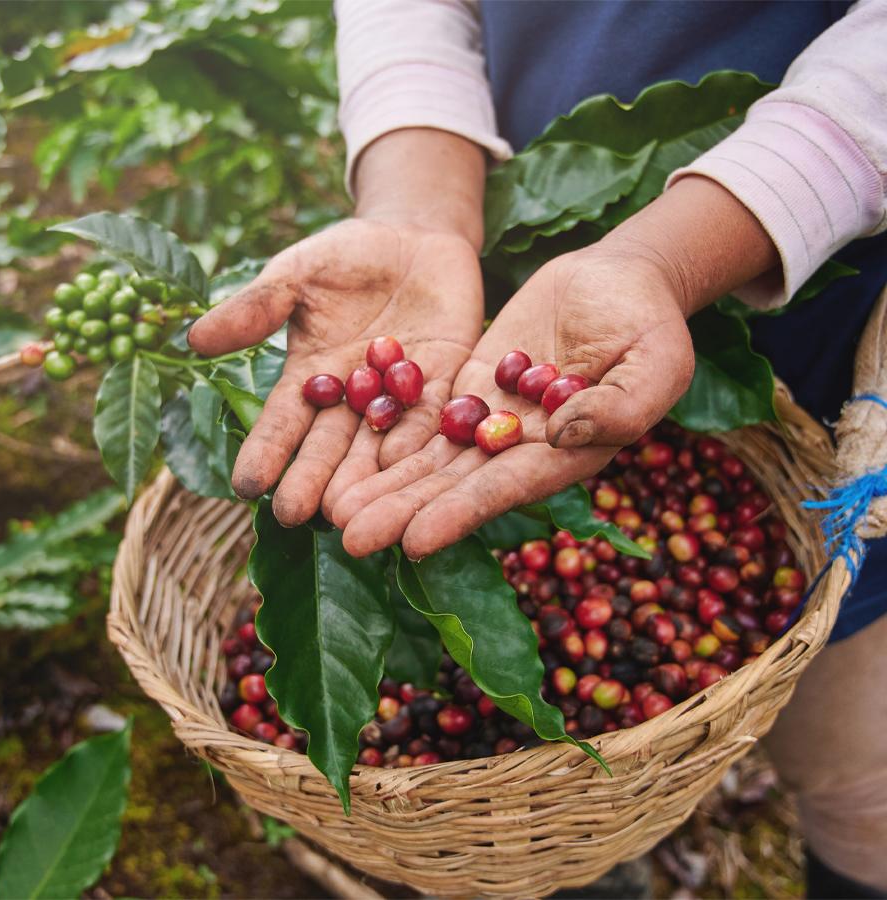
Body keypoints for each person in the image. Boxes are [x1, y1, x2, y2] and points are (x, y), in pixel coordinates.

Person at [188, 1, 887, 895]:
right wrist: (419, 205)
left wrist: (671, 258)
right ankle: (578, 847)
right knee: (561, 791)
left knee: (855, 763)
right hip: (514, 268)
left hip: (824, 271)